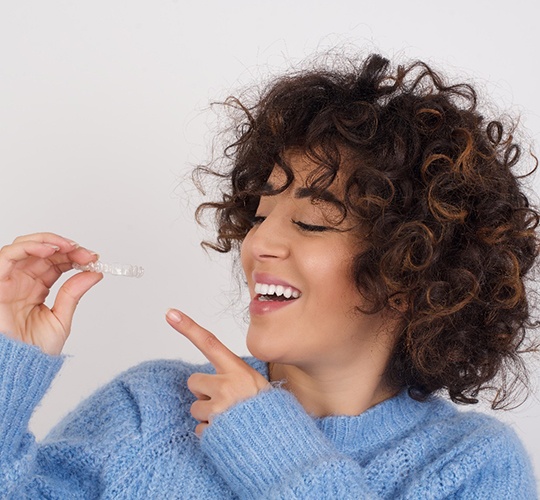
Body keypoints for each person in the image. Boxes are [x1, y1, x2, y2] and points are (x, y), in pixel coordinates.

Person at [0, 53, 538, 498]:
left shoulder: (473, 466)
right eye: (258, 216)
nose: (258, 243)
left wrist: (268, 448)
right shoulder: (152, 407)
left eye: (311, 222)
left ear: (412, 267)